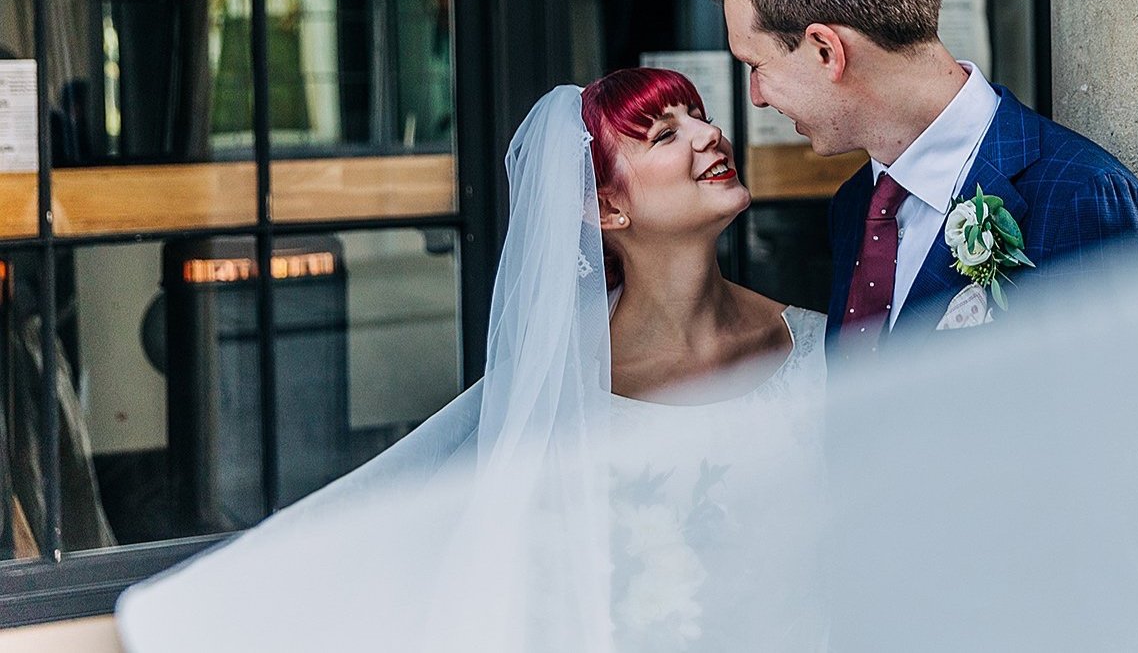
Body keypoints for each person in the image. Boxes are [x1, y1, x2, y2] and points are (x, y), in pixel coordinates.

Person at [116, 69, 827, 652]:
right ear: (606, 209)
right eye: (667, 134)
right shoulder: (561, 394)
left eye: (700, 116)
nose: (709, 134)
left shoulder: (822, 347)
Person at [709, 0, 1138, 361]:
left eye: (756, 65)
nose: (756, 97)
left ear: (826, 50)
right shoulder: (854, 204)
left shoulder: (1080, 196)